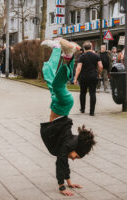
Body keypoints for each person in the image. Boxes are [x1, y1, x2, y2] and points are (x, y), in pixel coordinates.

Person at [40, 38, 96, 196]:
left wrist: (69, 181)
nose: (73, 159)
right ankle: (68, 55)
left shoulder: (70, 142)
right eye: (76, 157)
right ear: (75, 148)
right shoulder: (67, 146)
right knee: (58, 84)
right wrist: (62, 186)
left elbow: (65, 163)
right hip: (63, 104)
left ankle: (58, 49)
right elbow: (61, 163)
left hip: (61, 103)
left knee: (51, 78)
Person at [74, 41, 103, 116]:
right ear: (91, 47)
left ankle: (82, 109)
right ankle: (92, 111)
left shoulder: (82, 56)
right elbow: (100, 66)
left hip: (83, 77)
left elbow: (78, 68)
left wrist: (75, 78)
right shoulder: (96, 56)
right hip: (93, 76)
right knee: (92, 93)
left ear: (84, 48)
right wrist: (99, 73)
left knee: (83, 93)